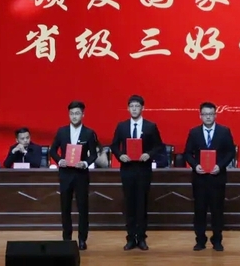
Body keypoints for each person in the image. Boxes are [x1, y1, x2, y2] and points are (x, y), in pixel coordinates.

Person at [110, 94, 164, 251]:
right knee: (129, 204)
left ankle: (141, 238)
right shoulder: (122, 126)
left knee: (142, 204)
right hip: (127, 170)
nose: (134, 109)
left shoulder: (150, 126)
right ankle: (130, 238)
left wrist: (149, 154)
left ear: (142, 108)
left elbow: (159, 146)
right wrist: (120, 155)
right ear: (128, 109)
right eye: (132, 106)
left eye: (137, 106)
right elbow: (114, 145)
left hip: (143, 170)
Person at [184, 102, 236, 252]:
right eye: (205, 114)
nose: (208, 117)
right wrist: (195, 165)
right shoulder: (194, 132)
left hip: (217, 178)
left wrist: (220, 165)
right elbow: (187, 153)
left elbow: (230, 152)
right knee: (199, 210)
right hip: (199, 178)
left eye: (211, 114)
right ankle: (200, 240)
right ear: (200, 116)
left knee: (217, 211)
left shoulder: (224, 131)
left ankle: (217, 240)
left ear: (215, 115)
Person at [49, 100, 98, 250]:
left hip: (81, 174)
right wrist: (59, 160)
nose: (74, 116)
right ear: (68, 115)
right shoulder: (62, 131)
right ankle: (67, 238)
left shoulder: (89, 133)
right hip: (65, 174)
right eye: (71, 113)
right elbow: (52, 150)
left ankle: (82, 239)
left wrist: (85, 163)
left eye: (77, 113)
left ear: (83, 115)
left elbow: (94, 154)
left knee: (83, 207)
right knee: (65, 207)